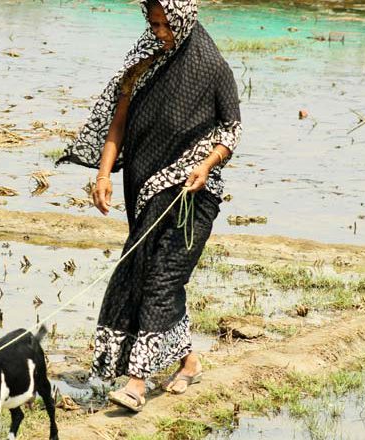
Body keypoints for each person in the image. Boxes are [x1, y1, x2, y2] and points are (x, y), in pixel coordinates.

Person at [56, 0, 242, 412]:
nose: (159, 31)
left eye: (165, 24)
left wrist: (206, 165)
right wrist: (103, 174)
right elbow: (117, 122)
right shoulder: (143, 58)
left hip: (193, 193)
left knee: (161, 279)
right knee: (143, 271)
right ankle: (189, 361)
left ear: (183, 18)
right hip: (141, 188)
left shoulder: (211, 66)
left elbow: (231, 130)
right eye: (153, 22)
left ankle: (137, 384)